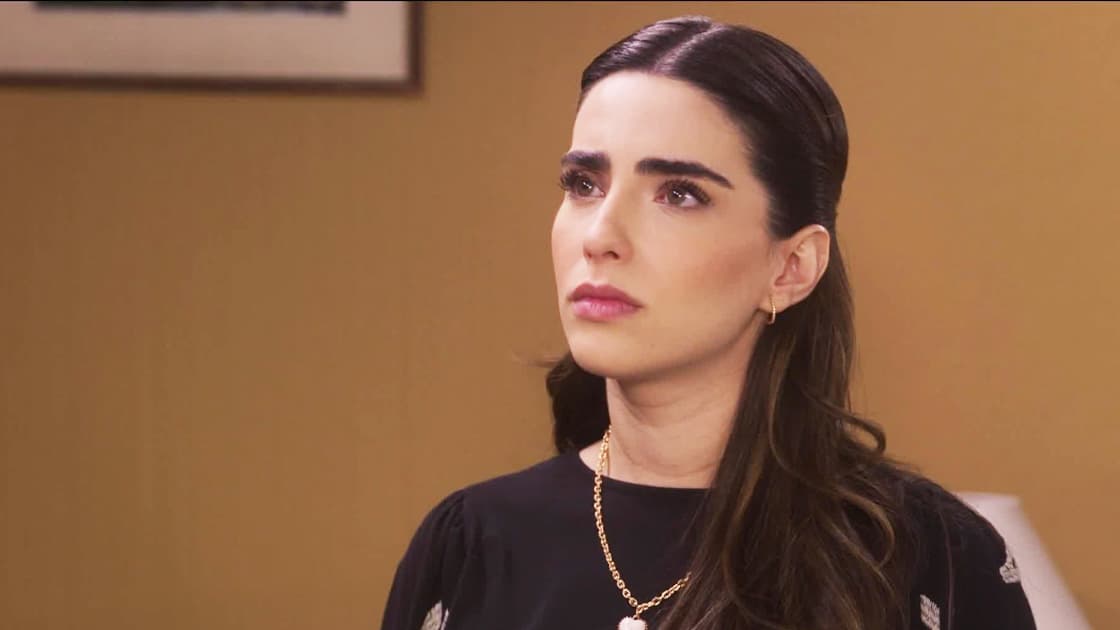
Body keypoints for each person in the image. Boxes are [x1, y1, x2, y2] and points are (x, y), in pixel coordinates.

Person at [380, 15, 1037, 630]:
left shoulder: (933, 561)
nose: (600, 236)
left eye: (679, 194)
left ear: (792, 267)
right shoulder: (470, 547)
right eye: (584, 184)